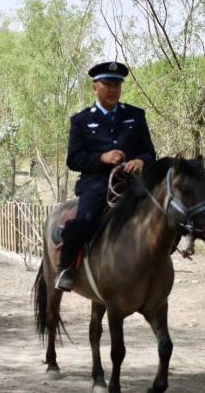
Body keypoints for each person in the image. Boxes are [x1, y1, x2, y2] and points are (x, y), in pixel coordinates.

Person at [55, 61, 156, 292]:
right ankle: (66, 267)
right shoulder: (80, 121)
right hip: (97, 184)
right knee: (86, 219)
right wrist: (101, 158)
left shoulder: (136, 115)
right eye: (108, 84)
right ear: (95, 87)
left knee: (162, 211)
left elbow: (149, 152)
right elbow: (74, 160)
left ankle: (161, 261)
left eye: (117, 85)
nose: (113, 90)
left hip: (133, 181)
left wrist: (140, 160)